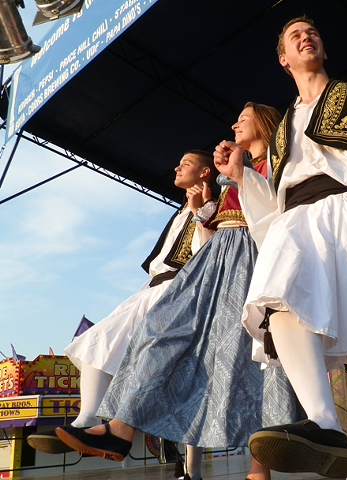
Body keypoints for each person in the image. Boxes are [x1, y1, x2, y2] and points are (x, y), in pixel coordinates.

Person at [214, 16, 347, 480]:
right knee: (278, 295)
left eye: (312, 32)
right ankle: (324, 421)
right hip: (296, 218)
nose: (306, 37)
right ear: (283, 59)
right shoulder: (283, 126)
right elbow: (275, 202)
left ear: (323, 50)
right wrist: (241, 177)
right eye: (294, 36)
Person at [54, 103, 298, 480]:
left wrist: (239, 177)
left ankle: (257, 468)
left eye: (243, 119)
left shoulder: (281, 161)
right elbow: (218, 223)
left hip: (256, 254)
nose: (234, 124)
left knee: (255, 358)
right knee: (159, 329)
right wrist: (207, 207)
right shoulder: (234, 171)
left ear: (264, 125)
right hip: (220, 257)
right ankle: (120, 425)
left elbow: (277, 211)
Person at [27, 150, 215, 455]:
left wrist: (200, 211)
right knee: (97, 340)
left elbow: (206, 256)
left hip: (178, 290)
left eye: (187, 164)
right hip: (151, 290)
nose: (177, 167)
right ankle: (87, 420)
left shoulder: (210, 206)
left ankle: (115, 431)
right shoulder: (181, 210)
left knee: (148, 360)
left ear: (205, 173)